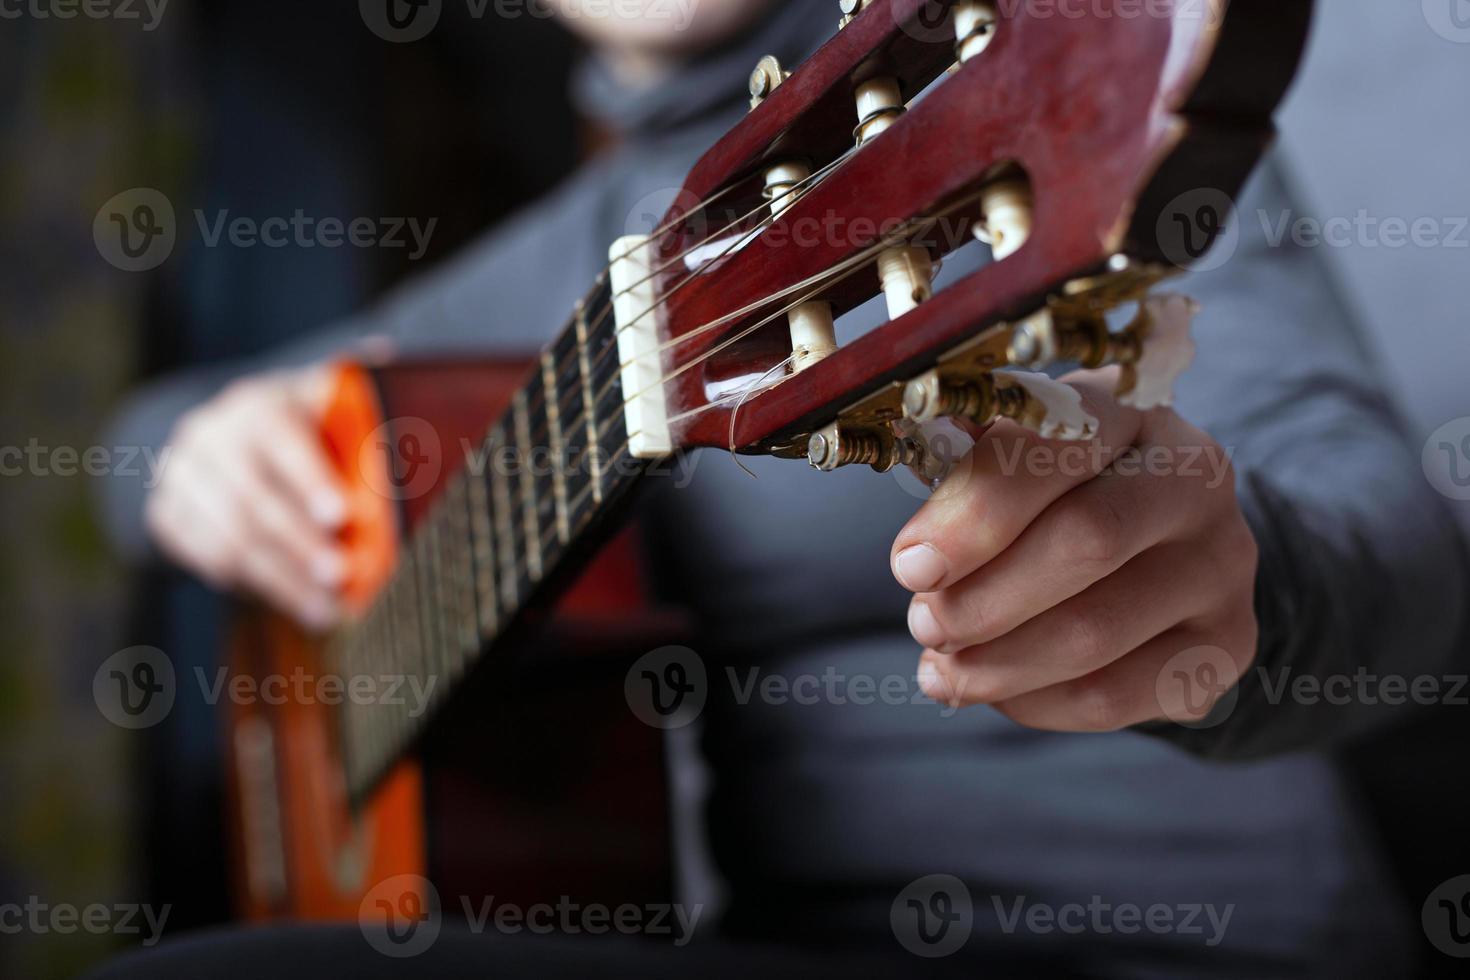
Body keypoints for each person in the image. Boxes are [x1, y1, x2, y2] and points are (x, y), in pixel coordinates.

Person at [95, 2, 1470, 977]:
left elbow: (1394, 546)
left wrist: (1241, 598)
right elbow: (138, 439)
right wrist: (178, 459)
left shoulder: (1007, 95)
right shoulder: (537, 275)